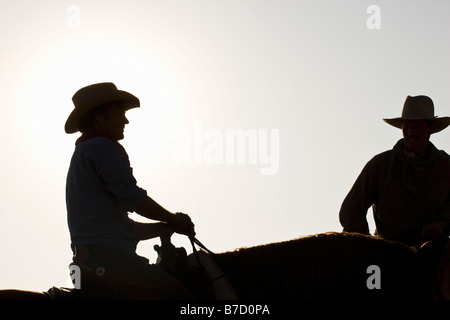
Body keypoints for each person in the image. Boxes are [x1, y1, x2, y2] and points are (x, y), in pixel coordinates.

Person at [64, 82, 196, 299]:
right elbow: (132, 197)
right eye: (119, 113)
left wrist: (164, 226)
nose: (125, 120)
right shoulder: (103, 145)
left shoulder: (83, 153)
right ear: (99, 117)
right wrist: (173, 219)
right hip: (107, 258)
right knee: (181, 297)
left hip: (84, 263)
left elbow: (124, 229)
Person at [339, 95, 450, 247]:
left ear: (430, 128)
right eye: (407, 127)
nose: (410, 132)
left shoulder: (446, 166)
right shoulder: (380, 165)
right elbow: (351, 210)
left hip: (437, 254)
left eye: (417, 127)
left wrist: (441, 222)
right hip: (387, 256)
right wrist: (368, 248)